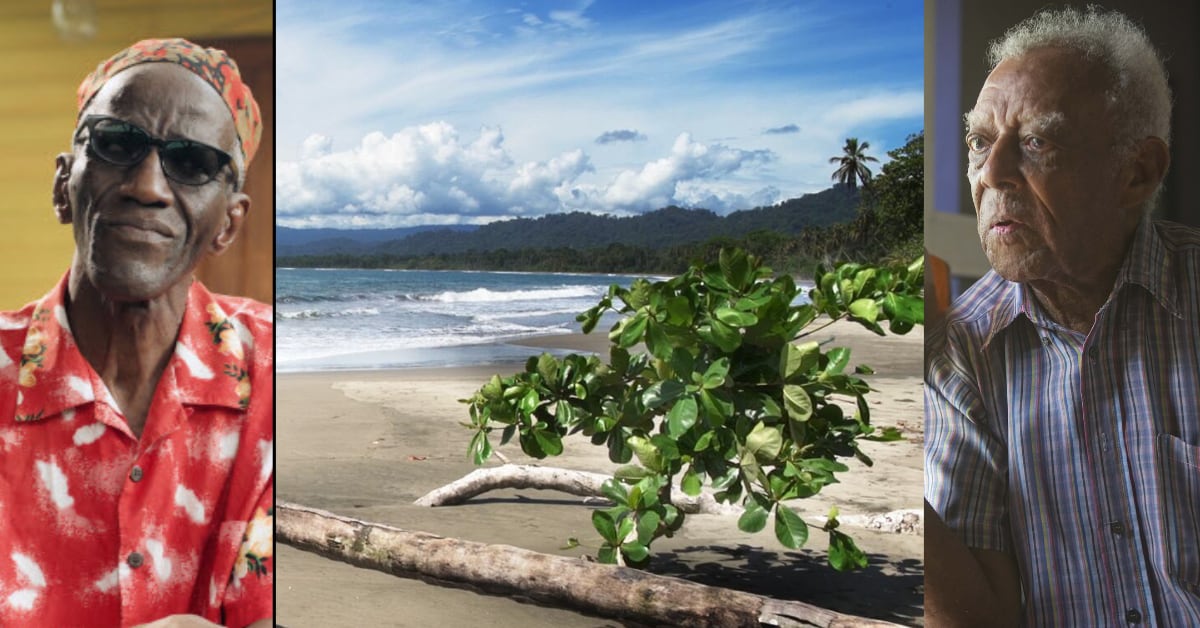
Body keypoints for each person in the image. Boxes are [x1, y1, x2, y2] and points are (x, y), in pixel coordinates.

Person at [925, 7, 1200, 627]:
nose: (991, 174)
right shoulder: (966, 349)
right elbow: (976, 615)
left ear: (1138, 172)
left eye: (1036, 143)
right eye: (978, 142)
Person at [0, 39, 272, 627]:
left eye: (193, 162)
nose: (146, 186)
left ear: (229, 222)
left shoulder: (276, 372)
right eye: (117, 145)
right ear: (62, 186)